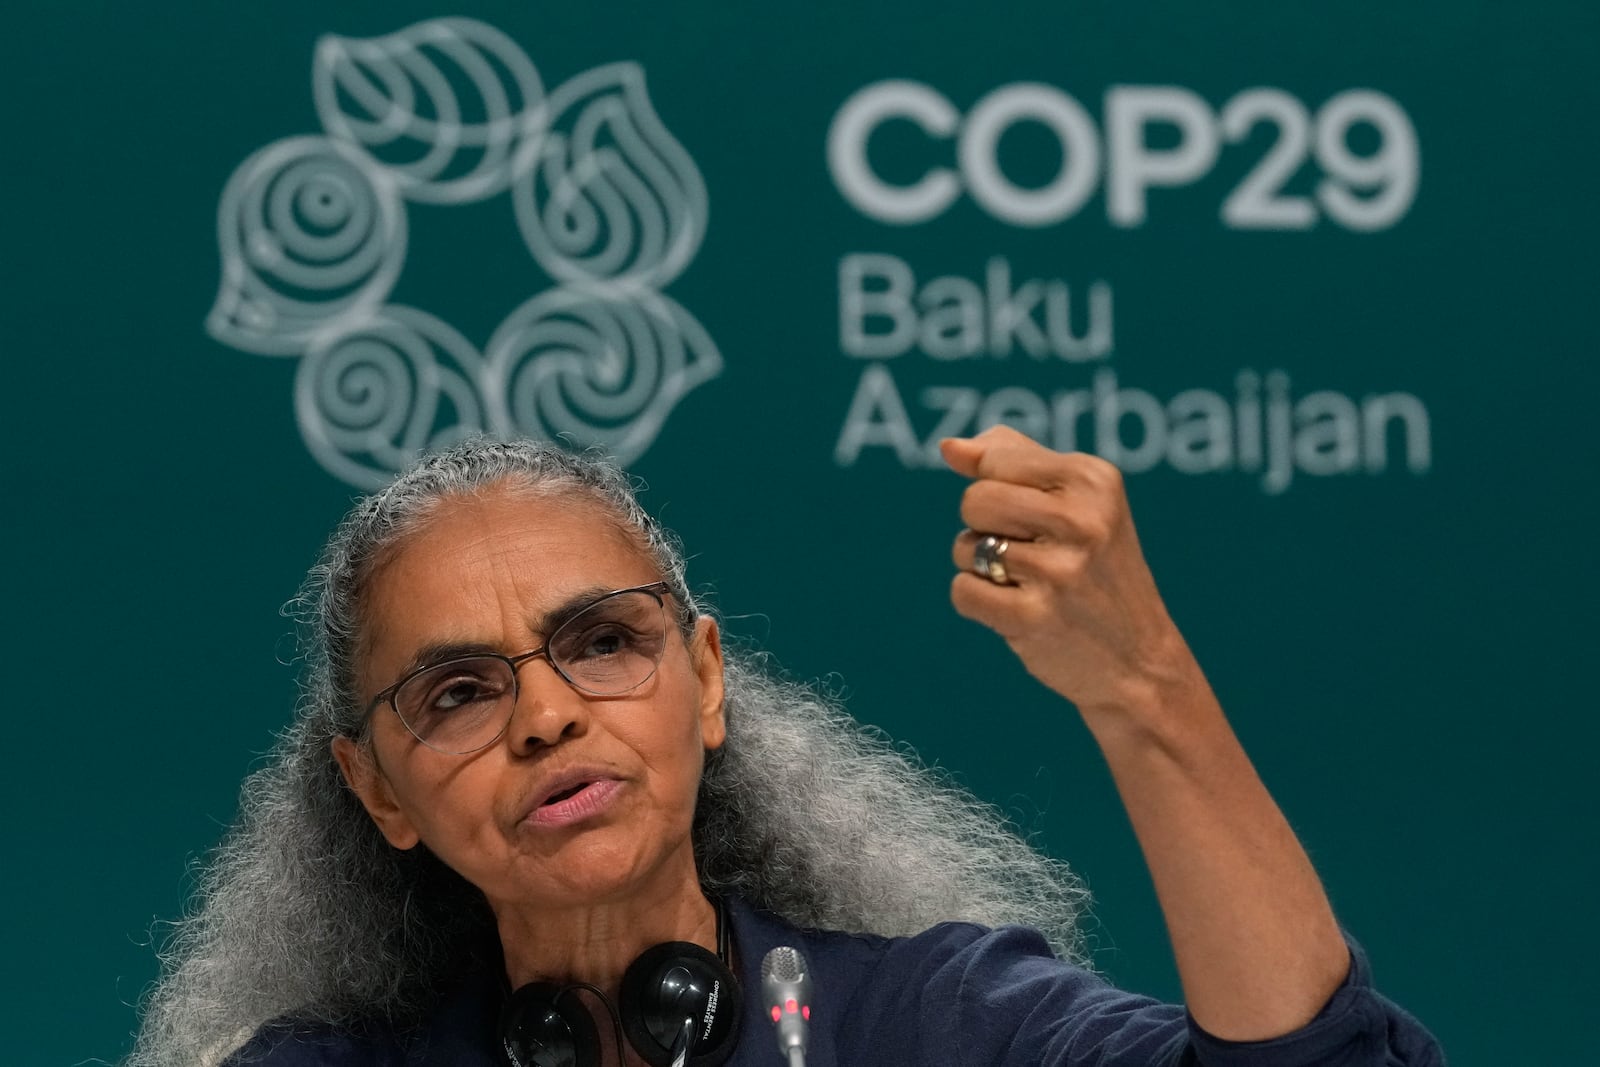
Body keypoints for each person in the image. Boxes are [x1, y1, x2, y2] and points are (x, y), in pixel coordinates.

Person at [128, 430, 1442, 1066]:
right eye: (459, 693)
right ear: (380, 790)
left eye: (600, 642)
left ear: (706, 681)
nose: (544, 717)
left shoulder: (933, 1025)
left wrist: (1144, 688)